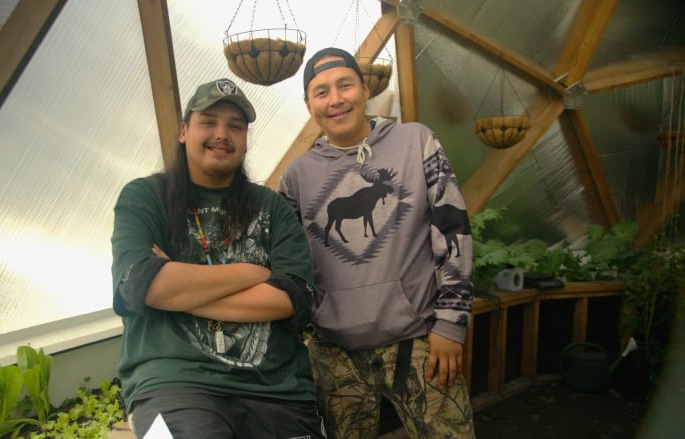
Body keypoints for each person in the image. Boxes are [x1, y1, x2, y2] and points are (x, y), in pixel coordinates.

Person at [111, 78, 326, 438]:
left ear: (244, 139)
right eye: (208, 122)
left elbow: (292, 297)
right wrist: (252, 272)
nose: (222, 134)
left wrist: (179, 291)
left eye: (235, 126)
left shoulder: (272, 207)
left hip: (277, 390)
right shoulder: (145, 198)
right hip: (174, 384)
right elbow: (145, 286)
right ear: (184, 131)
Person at [278, 47, 475, 438]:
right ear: (308, 104)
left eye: (345, 85)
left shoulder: (416, 140)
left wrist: (452, 323)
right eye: (321, 92)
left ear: (364, 89)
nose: (335, 100)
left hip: (419, 341)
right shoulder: (296, 176)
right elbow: (287, 259)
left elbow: (452, 226)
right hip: (335, 352)